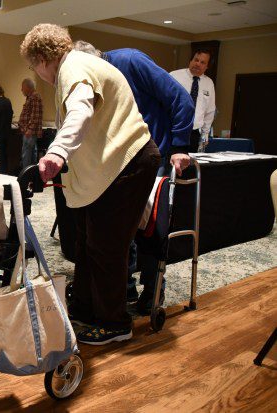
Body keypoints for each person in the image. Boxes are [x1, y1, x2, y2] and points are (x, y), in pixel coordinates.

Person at [21, 24, 160, 345]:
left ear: (42, 59)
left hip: (128, 162)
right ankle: (85, 307)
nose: (37, 72)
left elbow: (81, 110)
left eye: (33, 65)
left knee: (106, 246)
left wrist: (56, 152)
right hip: (112, 168)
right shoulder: (78, 65)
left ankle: (115, 323)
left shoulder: (74, 67)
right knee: (85, 243)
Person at [73, 41, 194, 313]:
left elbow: (181, 99)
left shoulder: (130, 61)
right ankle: (125, 288)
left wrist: (180, 145)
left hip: (155, 155)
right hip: (120, 162)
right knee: (120, 231)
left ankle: (153, 292)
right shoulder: (96, 78)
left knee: (151, 228)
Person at [170, 50, 216, 152]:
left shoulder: (209, 83)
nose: (198, 64)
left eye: (202, 62)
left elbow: (210, 111)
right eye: (196, 60)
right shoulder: (174, 76)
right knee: (169, 164)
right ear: (191, 61)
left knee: (190, 165)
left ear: (206, 67)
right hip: (173, 130)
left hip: (194, 133)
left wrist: (204, 136)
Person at [18, 78, 43, 170]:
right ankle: (31, 178)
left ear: (28, 87)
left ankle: (26, 177)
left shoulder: (34, 97)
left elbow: (35, 116)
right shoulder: (32, 97)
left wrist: (29, 130)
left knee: (27, 156)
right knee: (31, 155)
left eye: (22, 88)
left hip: (29, 133)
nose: (21, 90)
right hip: (29, 132)